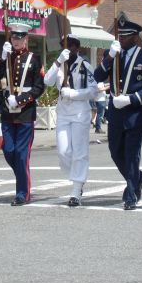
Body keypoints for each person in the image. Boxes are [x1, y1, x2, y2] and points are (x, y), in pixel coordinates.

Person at [93, 19, 142, 210]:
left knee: (131, 154)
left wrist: (132, 99)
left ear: (135, 37)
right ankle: (138, 178)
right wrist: (110, 57)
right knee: (115, 152)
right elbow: (97, 77)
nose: (121, 39)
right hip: (116, 112)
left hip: (136, 112)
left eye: (126, 36)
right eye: (120, 35)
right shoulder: (112, 54)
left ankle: (131, 194)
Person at [0, 22, 45, 206]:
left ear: (26, 39)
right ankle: (23, 175)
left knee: (21, 154)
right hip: (7, 113)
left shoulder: (34, 59)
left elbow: (39, 87)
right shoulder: (6, 59)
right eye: (14, 37)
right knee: (8, 150)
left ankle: (22, 193)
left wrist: (20, 99)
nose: (16, 41)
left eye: (20, 38)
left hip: (26, 113)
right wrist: (2, 59)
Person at [44, 34, 97, 206]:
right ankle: (76, 177)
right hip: (63, 113)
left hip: (80, 112)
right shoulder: (59, 64)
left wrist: (73, 94)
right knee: (63, 151)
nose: (68, 49)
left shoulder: (85, 66)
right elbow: (47, 81)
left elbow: (93, 91)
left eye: (72, 46)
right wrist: (58, 62)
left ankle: (76, 189)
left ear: (77, 48)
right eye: (65, 46)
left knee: (80, 152)